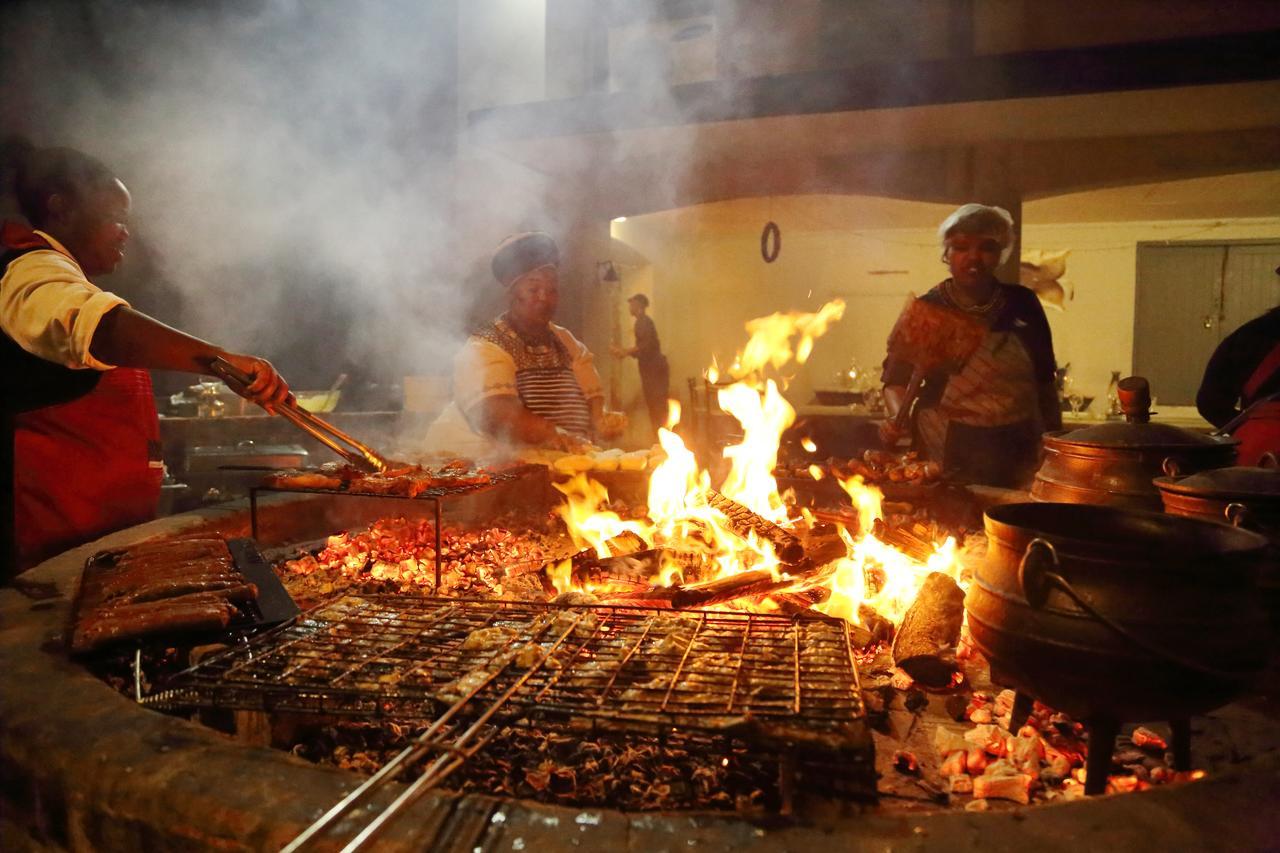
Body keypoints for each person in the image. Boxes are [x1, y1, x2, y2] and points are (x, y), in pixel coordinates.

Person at [1, 143, 290, 578]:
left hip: (97, 550)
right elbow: (94, 327)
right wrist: (219, 361)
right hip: (48, 562)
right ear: (60, 209)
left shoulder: (66, 277)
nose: (125, 233)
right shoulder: (29, 269)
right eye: (115, 218)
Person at [879, 203, 1061, 488]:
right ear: (946, 254)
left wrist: (1054, 442)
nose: (973, 257)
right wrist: (895, 417)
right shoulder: (929, 309)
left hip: (1019, 439)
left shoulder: (1022, 304)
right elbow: (896, 380)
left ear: (1000, 254)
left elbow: (1045, 382)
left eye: (987, 248)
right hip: (949, 441)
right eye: (961, 247)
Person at [426, 232, 623, 455]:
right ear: (511, 294)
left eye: (552, 290)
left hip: (560, 465)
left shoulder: (566, 342)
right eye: (533, 289)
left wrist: (602, 421)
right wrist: (553, 434)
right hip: (481, 466)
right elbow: (497, 414)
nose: (544, 298)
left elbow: (593, 400)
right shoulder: (484, 346)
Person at [1195, 264, 1280, 465]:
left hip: (1256, 456)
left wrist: (1246, 429)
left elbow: (1210, 402)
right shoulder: (1250, 336)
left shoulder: (1249, 335)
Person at [612, 293, 670, 435]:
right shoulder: (643, 321)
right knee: (655, 406)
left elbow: (646, 346)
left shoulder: (643, 322)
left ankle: (662, 439)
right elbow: (642, 349)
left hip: (654, 370)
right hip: (653, 369)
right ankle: (660, 437)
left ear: (638, 305)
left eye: (632, 304)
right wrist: (625, 352)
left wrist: (625, 352)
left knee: (657, 406)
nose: (629, 307)